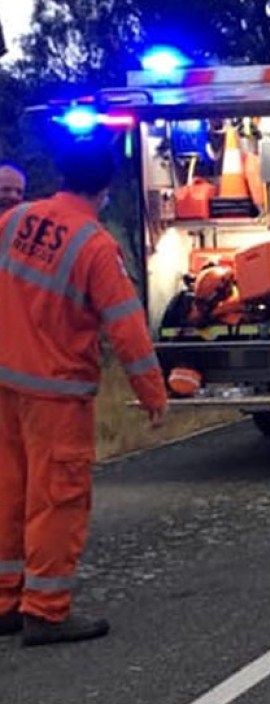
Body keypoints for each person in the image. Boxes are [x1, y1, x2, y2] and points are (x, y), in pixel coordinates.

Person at [0, 140, 168, 647]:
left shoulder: (14, 221)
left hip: (5, 380)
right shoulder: (94, 246)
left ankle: (6, 599)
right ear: (107, 186)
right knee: (57, 497)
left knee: (8, 491)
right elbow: (127, 327)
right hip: (55, 390)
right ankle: (47, 611)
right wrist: (152, 392)